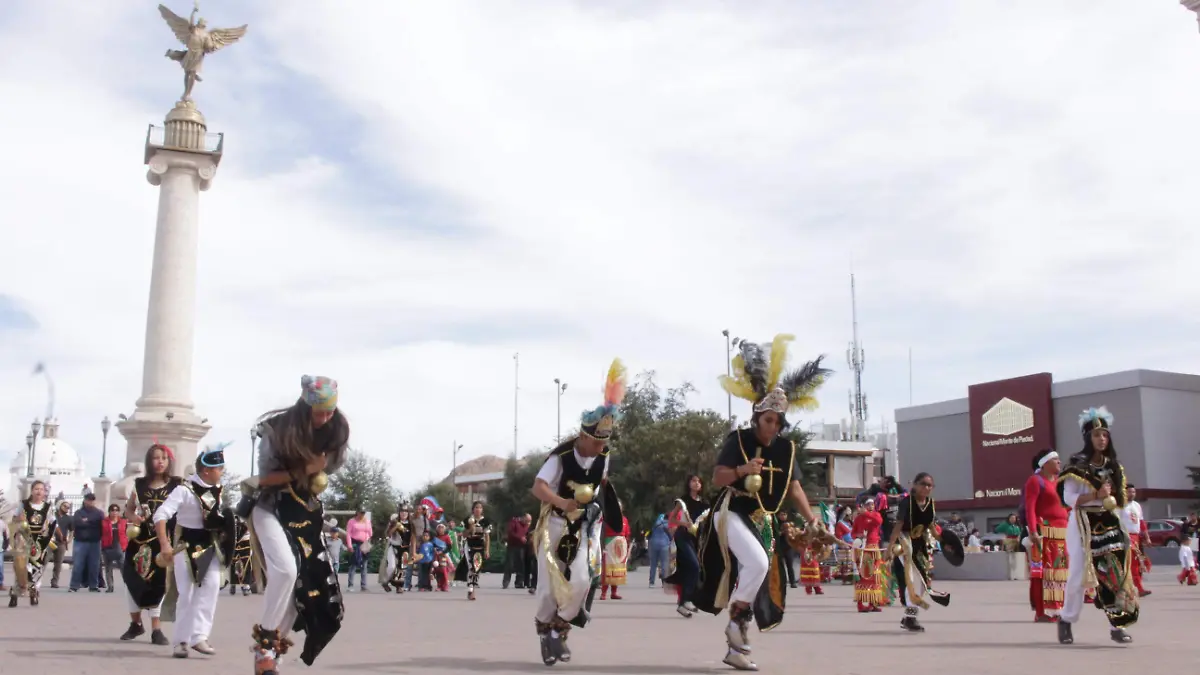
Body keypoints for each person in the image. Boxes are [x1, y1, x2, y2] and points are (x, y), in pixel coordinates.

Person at [693, 335, 827, 671]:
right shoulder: (738, 440)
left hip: (762, 519)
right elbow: (718, 478)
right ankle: (736, 624)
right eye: (768, 420)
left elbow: (794, 487)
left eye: (778, 422)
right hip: (732, 511)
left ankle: (737, 645)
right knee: (758, 564)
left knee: (762, 575)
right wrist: (742, 469)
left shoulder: (785, 449)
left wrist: (812, 519)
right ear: (757, 417)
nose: (773, 427)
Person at [246, 375, 349, 675]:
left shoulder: (335, 430)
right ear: (305, 407)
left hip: (305, 512)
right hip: (269, 507)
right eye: (320, 412)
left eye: (330, 411)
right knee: (286, 570)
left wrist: (316, 473)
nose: (326, 417)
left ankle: (270, 659)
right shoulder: (278, 430)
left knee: (302, 587)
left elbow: (329, 467)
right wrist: (306, 469)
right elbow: (263, 480)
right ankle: (264, 643)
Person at [530, 358, 627, 666]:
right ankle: (546, 635)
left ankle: (560, 630)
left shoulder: (604, 456)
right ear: (584, 436)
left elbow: (602, 482)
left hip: (584, 525)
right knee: (548, 587)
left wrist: (596, 506)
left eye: (604, 442)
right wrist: (563, 503)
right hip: (556, 524)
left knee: (583, 581)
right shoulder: (560, 456)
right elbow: (538, 486)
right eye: (597, 441)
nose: (601, 446)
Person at [1056, 406, 1137, 646]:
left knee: (1114, 574)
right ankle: (1066, 620)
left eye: (1104, 434)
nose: (1101, 439)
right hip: (1082, 523)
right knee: (1078, 574)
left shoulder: (1114, 466)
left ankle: (1117, 624)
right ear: (1087, 437)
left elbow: (1119, 501)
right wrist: (1095, 494)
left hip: (1110, 522)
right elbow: (1068, 498)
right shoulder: (1076, 464)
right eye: (1096, 434)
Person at [154, 444, 229, 658]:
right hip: (185, 547)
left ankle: (200, 637)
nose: (222, 472)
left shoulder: (218, 490)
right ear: (206, 470)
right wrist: (165, 544)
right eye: (219, 468)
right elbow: (161, 515)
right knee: (186, 594)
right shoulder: (184, 490)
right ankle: (181, 641)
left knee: (211, 588)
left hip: (209, 545)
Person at [122, 443, 182, 645]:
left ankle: (157, 629)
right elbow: (128, 510)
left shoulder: (177, 485)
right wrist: (134, 518)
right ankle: (136, 624)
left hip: (164, 543)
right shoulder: (139, 485)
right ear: (149, 461)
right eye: (156, 458)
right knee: (132, 582)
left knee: (159, 585)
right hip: (140, 543)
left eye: (164, 458)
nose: (160, 462)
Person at [1024, 449, 1068, 623]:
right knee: (1043, 573)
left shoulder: (1060, 483)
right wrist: (1033, 531)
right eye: (1055, 459)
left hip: (1062, 534)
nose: (1059, 462)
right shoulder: (1035, 481)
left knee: (1060, 572)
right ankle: (1043, 612)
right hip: (1044, 533)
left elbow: (1067, 507)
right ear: (1045, 463)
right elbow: (1030, 508)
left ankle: (1059, 609)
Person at [663, 474, 709, 617]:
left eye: (699, 481)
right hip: (682, 536)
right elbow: (671, 519)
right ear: (688, 483)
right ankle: (688, 599)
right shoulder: (682, 501)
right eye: (693, 480)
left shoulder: (705, 503)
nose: (696, 483)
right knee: (694, 566)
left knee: (690, 570)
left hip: (696, 538)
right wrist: (685, 524)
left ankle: (682, 603)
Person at [7, 480, 56, 608]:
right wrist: (19, 521)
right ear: (32, 490)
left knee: (36, 569)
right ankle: (16, 591)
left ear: (45, 492)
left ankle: (33, 591)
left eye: (41, 489)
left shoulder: (48, 507)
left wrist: (47, 537)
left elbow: (52, 523)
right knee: (22, 566)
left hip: (40, 541)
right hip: (24, 539)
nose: (39, 491)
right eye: (36, 489)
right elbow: (14, 520)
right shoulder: (23, 505)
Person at [852, 497, 884, 613]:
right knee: (864, 577)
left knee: (875, 577)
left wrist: (865, 513)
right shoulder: (858, 519)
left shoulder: (876, 515)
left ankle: (873, 603)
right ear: (864, 506)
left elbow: (878, 522)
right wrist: (858, 535)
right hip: (863, 549)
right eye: (868, 504)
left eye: (872, 504)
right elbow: (853, 533)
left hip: (874, 548)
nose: (871, 506)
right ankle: (861, 604)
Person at [454, 501, 492, 600]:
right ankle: (471, 590)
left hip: (480, 547)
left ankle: (472, 586)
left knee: (477, 568)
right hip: (470, 546)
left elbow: (487, 537)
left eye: (480, 508)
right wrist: (470, 528)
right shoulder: (467, 520)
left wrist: (487, 550)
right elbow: (464, 535)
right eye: (476, 507)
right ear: (473, 509)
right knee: (471, 567)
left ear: (482, 510)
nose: (478, 509)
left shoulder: (486, 521)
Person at [69, 493, 105, 592]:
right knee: (78, 564)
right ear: (85, 500)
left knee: (94, 565)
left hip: (95, 542)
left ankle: (93, 585)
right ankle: (74, 586)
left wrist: (87, 521)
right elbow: (78, 523)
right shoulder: (78, 513)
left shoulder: (99, 513)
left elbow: (103, 525)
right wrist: (91, 522)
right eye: (89, 500)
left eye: (92, 500)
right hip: (80, 542)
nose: (91, 502)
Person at [1121, 484, 1151, 597]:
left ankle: (1135, 587)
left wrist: (1147, 537)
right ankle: (1139, 588)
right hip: (1126, 537)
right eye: (1129, 492)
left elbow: (1142, 523)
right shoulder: (1120, 506)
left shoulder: (1137, 505)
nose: (1132, 494)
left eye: (1133, 492)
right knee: (1133, 563)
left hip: (1137, 537)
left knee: (1140, 563)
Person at [599, 506, 630, 600]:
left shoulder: (624, 519)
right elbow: (601, 532)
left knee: (617, 569)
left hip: (621, 544)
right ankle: (603, 593)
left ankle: (614, 592)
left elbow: (627, 533)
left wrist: (627, 546)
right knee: (607, 569)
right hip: (609, 543)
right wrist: (602, 545)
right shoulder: (607, 519)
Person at [380, 506, 411, 593]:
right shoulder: (394, 522)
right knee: (392, 566)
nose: (404, 513)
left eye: (405, 511)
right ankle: (386, 581)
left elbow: (413, 536)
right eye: (402, 511)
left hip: (405, 548)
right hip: (394, 546)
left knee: (401, 568)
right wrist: (395, 527)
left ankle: (399, 587)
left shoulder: (411, 523)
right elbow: (388, 534)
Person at [100, 503, 129, 594]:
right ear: (109, 512)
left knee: (123, 568)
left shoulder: (123, 521)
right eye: (112, 510)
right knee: (108, 568)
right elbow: (100, 533)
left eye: (116, 510)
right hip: (107, 547)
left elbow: (126, 533)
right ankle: (110, 586)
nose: (115, 512)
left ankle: (127, 586)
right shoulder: (104, 521)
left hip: (120, 548)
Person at [345, 508, 372, 592]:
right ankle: (350, 585)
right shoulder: (352, 521)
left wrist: (367, 539)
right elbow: (348, 534)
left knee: (364, 565)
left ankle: (363, 585)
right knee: (353, 565)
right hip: (355, 543)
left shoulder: (367, 521)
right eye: (361, 513)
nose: (362, 515)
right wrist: (349, 545)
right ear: (357, 513)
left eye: (363, 513)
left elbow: (370, 532)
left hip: (364, 543)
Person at [503, 513, 530, 589]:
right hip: (512, 546)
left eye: (529, 521)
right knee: (510, 564)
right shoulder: (514, 522)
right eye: (527, 521)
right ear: (523, 518)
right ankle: (506, 582)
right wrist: (520, 538)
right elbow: (510, 533)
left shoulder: (526, 525)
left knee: (521, 565)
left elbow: (527, 534)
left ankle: (519, 583)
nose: (528, 523)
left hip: (521, 547)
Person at [647, 513, 672, 587]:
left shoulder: (656, 524)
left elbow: (650, 534)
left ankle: (651, 583)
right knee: (664, 563)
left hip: (653, 544)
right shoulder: (668, 525)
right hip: (664, 546)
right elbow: (670, 536)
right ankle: (664, 582)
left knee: (653, 564)